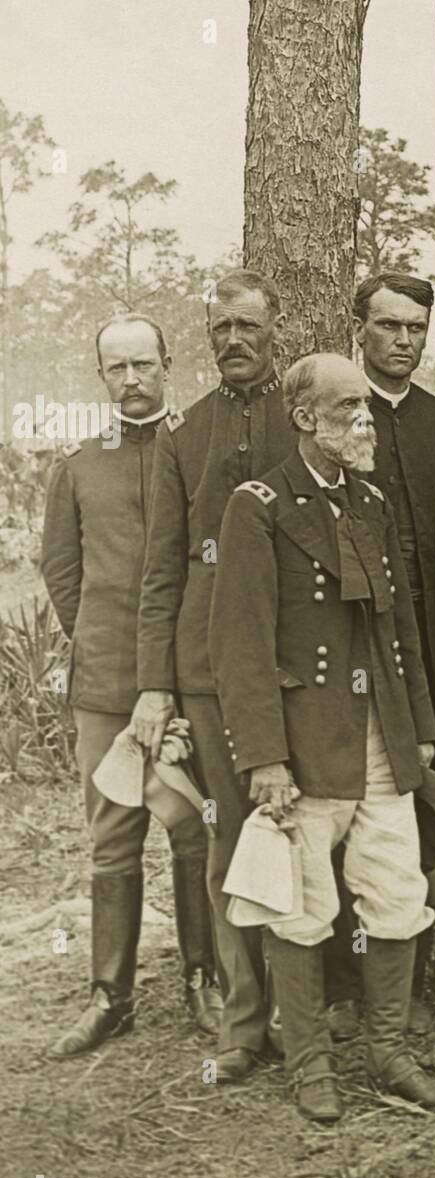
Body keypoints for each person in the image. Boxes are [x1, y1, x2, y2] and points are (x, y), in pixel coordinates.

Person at [208, 353, 435, 1120]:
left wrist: (419, 727)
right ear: (305, 419)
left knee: (395, 894)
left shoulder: (371, 501)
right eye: (348, 408)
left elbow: (400, 630)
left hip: (380, 739)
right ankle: (311, 1064)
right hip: (305, 741)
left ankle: (389, 1054)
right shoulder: (256, 506)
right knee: (302, 908)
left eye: (366, 407)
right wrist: (263, 758)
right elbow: (241, 646)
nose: (365, 420)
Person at [42, 314, 221, 1058]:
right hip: (108, 687)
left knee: (192, 830)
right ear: (101, 376)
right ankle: (109, 997)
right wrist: (108, 648)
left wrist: (176, 671)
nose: (132, 380)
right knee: (113, 839)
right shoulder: (79, 465)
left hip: (190, 682)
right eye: (115, 369)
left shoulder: (200, 451)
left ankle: (204, 981)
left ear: (167, 363)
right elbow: (61, 572)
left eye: (143, 365)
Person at [131, 270, 294, 1083]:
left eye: (247, 327)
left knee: (307, 832)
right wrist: (157, 683)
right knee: (230, 840)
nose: (233, 341)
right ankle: (242, 1022)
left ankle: (311, 1012)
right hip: (205, 669)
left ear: (275, 328)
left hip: (299, 666)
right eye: (220, 327)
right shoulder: (182, 434)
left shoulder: (302, 416)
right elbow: (161, 570)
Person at [321, 272, 435, 1041]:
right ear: (361, 329)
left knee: (433, 810)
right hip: (356, 653)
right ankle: (348, 983)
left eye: (416, 327)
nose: (403, 340)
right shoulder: (334, 418)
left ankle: (415, 975)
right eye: (388, 326)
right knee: (355, 806)